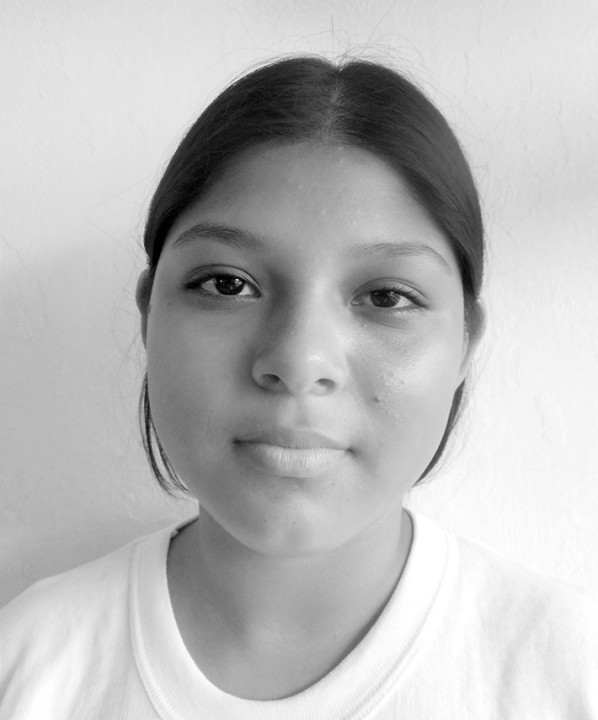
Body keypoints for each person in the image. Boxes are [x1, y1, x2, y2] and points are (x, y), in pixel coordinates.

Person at [0, 55, 596, 719]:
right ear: (148, 315)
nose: (298, 360)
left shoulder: (571, 673)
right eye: (228, 284)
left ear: (464, 342)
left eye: (386, 296)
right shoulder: (26, 664)